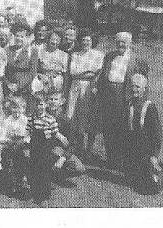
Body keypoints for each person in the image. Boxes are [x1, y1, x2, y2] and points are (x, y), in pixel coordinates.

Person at [97, 31, 144, 170]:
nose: (120, 45)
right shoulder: (109, 56)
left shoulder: (135, 59)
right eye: (118, 42)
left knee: (122, 128)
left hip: (124, 96)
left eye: (124, 42)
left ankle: (122, 160)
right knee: (108, 127)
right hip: (108, 95)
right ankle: (111, 159)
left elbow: (141, 81)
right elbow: (103, 76)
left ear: (129, 44)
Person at [26, 92, 68, 206]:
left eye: (41, 104)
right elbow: (28, 131)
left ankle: (44, 195)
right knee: (34, 169)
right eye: (36, 104)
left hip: (45, 147)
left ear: (45, 105)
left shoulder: (50, 119)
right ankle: (35, 193)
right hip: (34, 147)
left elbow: (55, 132)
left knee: (44, 170)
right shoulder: (31, 118)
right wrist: (26, 141)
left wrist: (61, 137)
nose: (39, 107)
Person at [66, 30, 103, 156]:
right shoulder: (75, 55)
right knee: (72, 115)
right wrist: (88, 72)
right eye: (83, 40)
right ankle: (76, 146)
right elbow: (72, 72)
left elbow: (97, 72)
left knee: (87, 116)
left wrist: (84, 72)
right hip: (76, 86)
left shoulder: (98, 55)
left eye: (88, 40)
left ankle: (88, 150)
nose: (85, 42)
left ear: (92, 41)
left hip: (90, 87)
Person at [125, 73, 162, 193]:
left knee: (151, 186)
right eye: (132, 86)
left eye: (137, 87)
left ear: (144, 89)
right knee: (132, 179)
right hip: (132, 150)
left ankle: (155, 169)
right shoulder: (129, 104)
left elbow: (156, 135)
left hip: (146, 150)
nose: (134, 89)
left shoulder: (149, 107)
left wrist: (154, 155)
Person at [1, 96, 30, 198]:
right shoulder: (8, 120)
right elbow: (4, 135)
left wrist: (22, 138)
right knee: (8, 158)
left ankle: (23, 180)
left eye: (19, 108)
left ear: (23, 109)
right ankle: (11, 183)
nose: (16, 111)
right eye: (14, 108)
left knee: (23, 157)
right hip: (10, 144)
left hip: (23, 145)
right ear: (11, 109)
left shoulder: (25, 120)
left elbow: (28, 135)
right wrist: (9, 139)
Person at [5, 22, 38, 101]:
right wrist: (8, 84)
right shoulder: (7, 50)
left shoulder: (32, 51)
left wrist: (18, 85)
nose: (19, 38)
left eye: (22, 36)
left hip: (25, 88)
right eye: (17, 36)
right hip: (9, 88)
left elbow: (33, 72)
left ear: (27, 38)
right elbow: (3, 70)